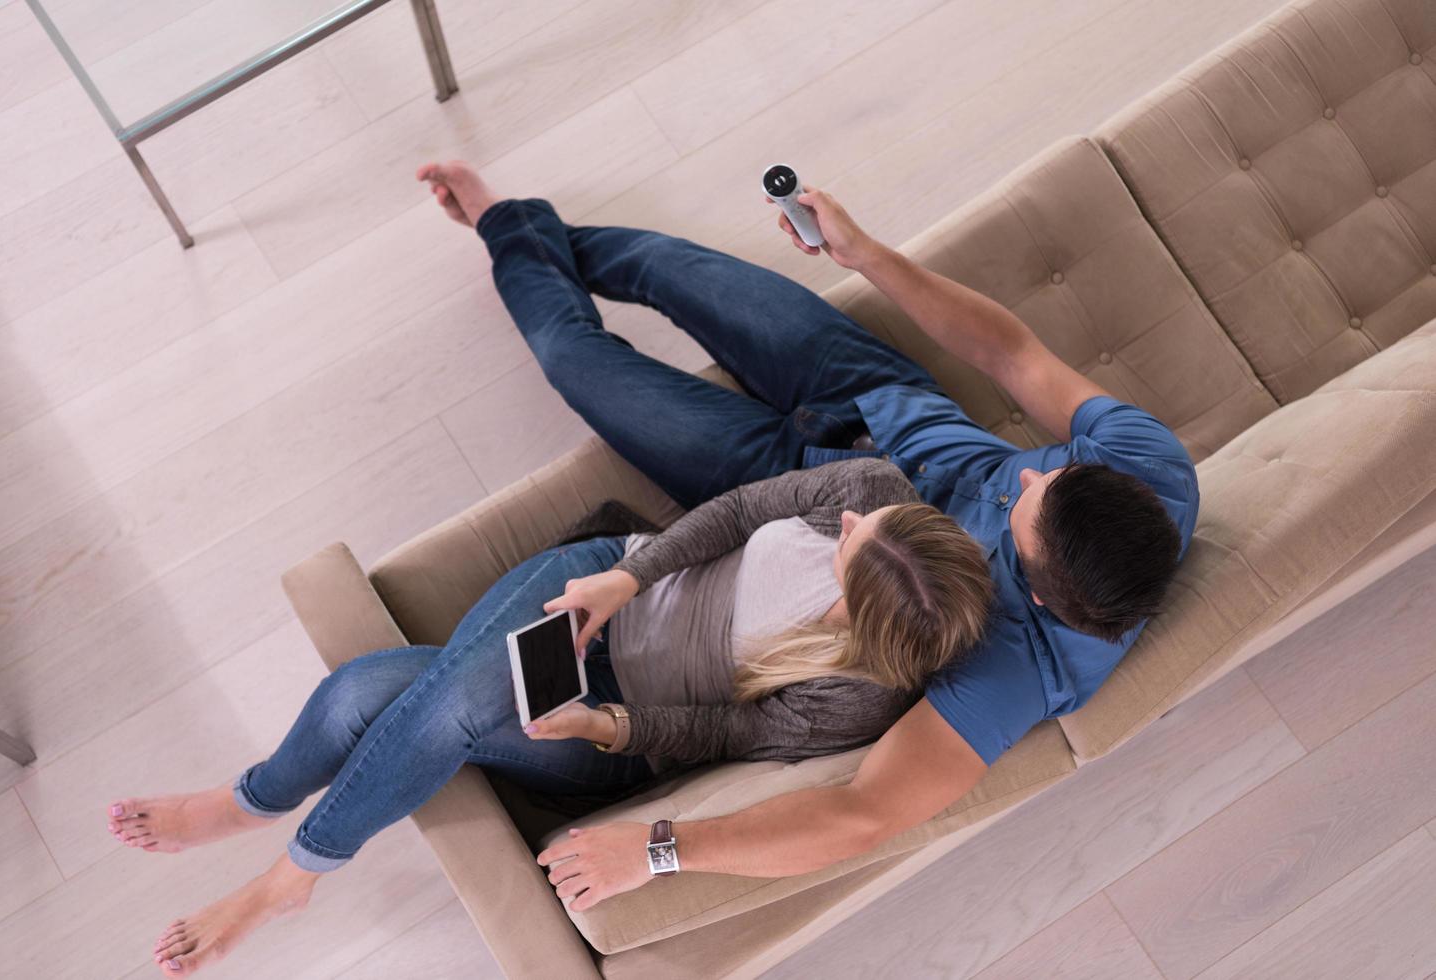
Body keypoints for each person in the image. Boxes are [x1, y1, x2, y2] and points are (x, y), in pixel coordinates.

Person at [406, 161, 1197, 911]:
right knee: (664, 263)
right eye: (1049, 472)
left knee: (575, 359)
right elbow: (1007, 351)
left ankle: (499, 223)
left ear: (1027, 589)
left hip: (785, 502)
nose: (1026, 473)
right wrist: (866, 255)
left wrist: (656, 851)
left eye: (1026, 504)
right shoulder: (1147, 471)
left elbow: (861, 813)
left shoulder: (1017, 670)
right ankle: (516, 226)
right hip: (875, 398)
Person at [106, 455, 995, 976]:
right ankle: (268, 832)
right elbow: (733, 514)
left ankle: (278, 854)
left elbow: (725, 736)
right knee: (405, 695)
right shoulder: (875, 486)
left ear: (860, 608)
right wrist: (626, 577)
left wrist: (604, 728)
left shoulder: (860, 695)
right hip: (606, 584)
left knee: (385, 694)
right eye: (867, 520)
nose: (846, 520)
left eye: (850, 544)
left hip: (620, 722)